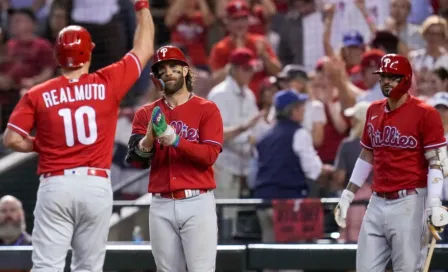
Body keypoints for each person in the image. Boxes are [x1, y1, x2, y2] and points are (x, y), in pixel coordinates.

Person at [1, 0, 155, 270]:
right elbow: (143, 50)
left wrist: (43, 145)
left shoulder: (38, 93)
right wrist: (142, 7)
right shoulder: (107, 82)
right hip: (95, 185)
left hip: (56, 184)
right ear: (89, 54)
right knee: (88, 267)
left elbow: (11, 139)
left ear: (58, 56)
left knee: (47, 265)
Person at [334, 54, 448, 271]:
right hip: (377, 200)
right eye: (383, 76)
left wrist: (434, 202)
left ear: (405, 79)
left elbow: (436, 161)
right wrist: (348, 194)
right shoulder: (373, 109)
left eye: (393, 77)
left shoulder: (425, 113)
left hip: (411, 201)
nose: (386, 81)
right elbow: (367, 154)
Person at [125, 45, 224, 272]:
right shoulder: (145, 113)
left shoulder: (207, 109)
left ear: (185, 71)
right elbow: (137, 161)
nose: (168, 72)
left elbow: (209, 156)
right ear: (156, 77)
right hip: (161, 203)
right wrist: (149, 138)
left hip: (197, 201)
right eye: (162, 69)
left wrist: (175, 139)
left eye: (173, 67)